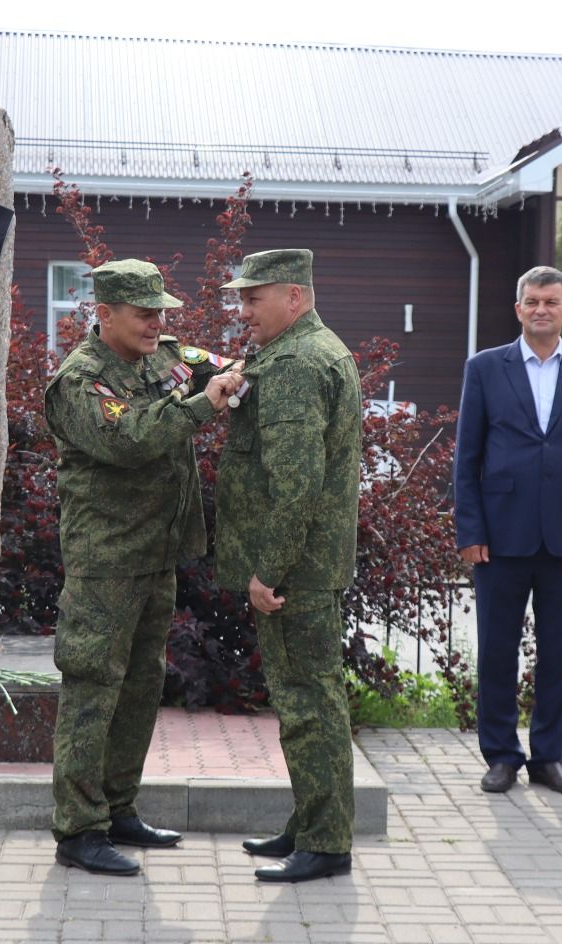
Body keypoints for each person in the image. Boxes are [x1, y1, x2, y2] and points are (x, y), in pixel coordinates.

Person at [44, 258, 243, 876]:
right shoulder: (80, 382)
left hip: (156, 554)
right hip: (107, 561)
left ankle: (119, 807)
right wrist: (203, 406)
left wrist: (233, 372)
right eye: (144, 313)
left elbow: (213, 365)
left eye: (161, 311)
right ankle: (79, 829)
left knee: (141, 684)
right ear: (104, 314)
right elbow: (127, 439)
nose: (157, 322)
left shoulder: (165, 355)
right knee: (92, 687)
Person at [216, 248, 362, 884]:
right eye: (241, 297)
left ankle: (326, 844)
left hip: (295, 571)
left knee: (310, 706)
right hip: (305, 565)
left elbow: (296, 483)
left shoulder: (300, 364)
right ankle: (310, 823)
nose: (242, 309)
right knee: (306, 701)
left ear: (294, 298)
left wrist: (267, 571)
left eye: (254, 298)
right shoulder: (298, 351)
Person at [452, 265, 562, 795]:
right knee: (497, 651)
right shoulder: (484, 369)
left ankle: (550, 756)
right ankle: (501, 755)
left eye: (551, 301)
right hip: (500, 537)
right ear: (518, 309)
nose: (541, 309)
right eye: (532, 301)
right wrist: (469, 529)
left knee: (561, 652)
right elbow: (467, 457)